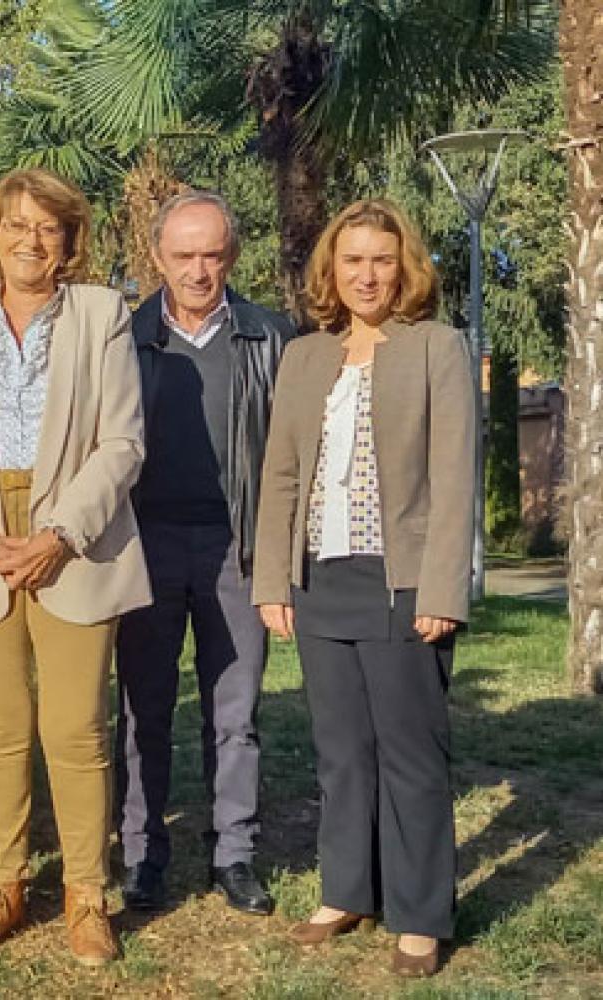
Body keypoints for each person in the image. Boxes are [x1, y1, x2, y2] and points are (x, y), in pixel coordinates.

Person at [0, 167, 149, 966]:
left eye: (48, 227)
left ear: (70, 242)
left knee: (76, 726)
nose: (30, 239)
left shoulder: (101, 315)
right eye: (15, 225)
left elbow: (122, 441)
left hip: (75, 541)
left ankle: (86, 895)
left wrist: (57, 533)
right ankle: (5, 884)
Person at [253, 199, 473, 978]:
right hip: (321, 582)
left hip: (403, 584)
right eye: (353, 261)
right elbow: (281, 477)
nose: (367, 275)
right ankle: (346, 889)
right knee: (340, 751)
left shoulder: (436, 349)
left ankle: (419, 913)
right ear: (331, 270)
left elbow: (453, 480)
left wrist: (442, 589)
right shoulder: (307, 357)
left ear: (403, 266)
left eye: (381, 259)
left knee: (410, 752)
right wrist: (273, 579)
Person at [114, 191, 295, 915]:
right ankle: (141, 854)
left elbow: (289, 459)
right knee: (141, 709)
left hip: (236, 549)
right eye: (183, 255)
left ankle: (235, 853)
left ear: (232, 256)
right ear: (157, 257)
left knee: (236, 712)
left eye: (211, 255)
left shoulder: (269, 337)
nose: (197, 270)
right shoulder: (123, 340)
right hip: (144, 546)